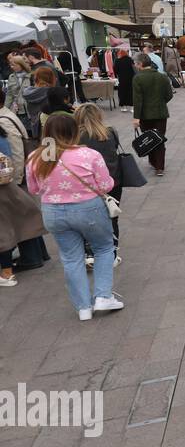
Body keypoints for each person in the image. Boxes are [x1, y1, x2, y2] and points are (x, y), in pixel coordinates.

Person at [25, 113, 123, 320]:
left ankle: (83, 307)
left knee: (71, 258)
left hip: (53, 212)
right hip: (89, 209)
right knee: (104, 248)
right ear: (74, 132)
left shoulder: (35, 157)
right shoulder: (89, 155)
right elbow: (107, 185)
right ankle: (103, 296)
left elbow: (33, 189)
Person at [0, 106, 46, 289]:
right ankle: (36, 256)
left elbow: (14, 154)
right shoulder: (7, 117)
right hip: (11, 181)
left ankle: (9, 270)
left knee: (10, 226)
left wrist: (17, 179)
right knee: (24, 220)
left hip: (9, 182)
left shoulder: (4, 120)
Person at [75, 103, 124, 266]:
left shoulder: (75, 137)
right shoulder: (109, 132)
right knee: (112, 216)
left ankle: (90, 253)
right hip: (112, 180)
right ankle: (112, 253)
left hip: (86, 184)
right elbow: (115, 149)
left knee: (86, 218)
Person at [131, 52, 173, 177]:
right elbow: (169, 95)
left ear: (140, 64)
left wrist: (136, 118)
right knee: (159, 139)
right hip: (161, 113)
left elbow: (137, 100)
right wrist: (160, 102)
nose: (135, 66)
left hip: (145, 115)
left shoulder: (138, 78)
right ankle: (159, 167)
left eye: (135, 64)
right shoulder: (162, 76)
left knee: (148, 138)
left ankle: (153, 161)